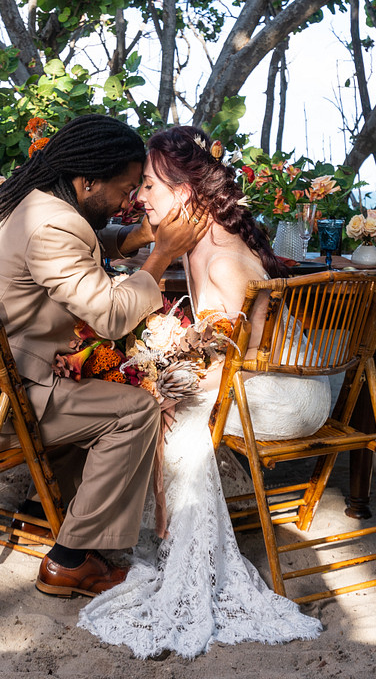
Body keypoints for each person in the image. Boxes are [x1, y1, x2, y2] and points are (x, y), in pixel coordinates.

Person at [0, 115, 210, 598]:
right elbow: (112, 315)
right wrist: (162, 256)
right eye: (126, 187)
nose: (130, 200)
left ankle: (37, 516)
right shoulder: (54, 225)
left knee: (99, 388)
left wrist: (136, 239)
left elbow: (85, 247)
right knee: (134, 411)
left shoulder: (36, 203)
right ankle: (70, 561)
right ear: (87, 179)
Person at [78, 126, 329, 658]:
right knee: (156, 404)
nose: (138, 197)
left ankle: (175, 552)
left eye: (148, 186)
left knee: (170, 419)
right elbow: (212, 352)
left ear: (184, 194)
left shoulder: (220, 258)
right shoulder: (199, 246)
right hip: (249, 378)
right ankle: (152, 539)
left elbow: (232, 361)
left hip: (286, 394)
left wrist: (163, 385)